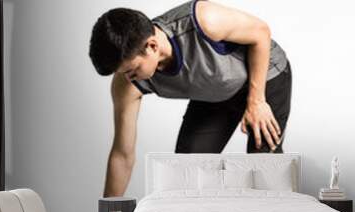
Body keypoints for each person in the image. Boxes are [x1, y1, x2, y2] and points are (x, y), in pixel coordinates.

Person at [89, 0, 292, 197]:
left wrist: (256, 101)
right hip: (214, 90)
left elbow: (261, 33)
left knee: (263, 168)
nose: (127, 78)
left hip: (264, 75)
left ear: (152, 46)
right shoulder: (127, 83)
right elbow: (122, 155)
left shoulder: (204, 20)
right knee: (188, 171)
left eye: (132, 70)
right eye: (122, 72)